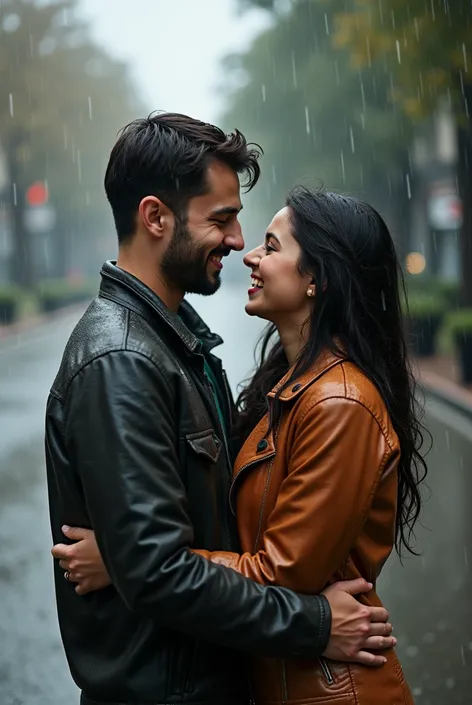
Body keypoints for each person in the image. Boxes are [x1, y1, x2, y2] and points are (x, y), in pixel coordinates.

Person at [46, 114, 394, 705]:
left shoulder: (177, 343)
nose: (239, 243)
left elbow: (203, 533)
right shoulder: (125, 360)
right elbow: (160, 571)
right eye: (222, 220)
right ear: (155, 217)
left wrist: (124, 559)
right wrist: (313, 622)